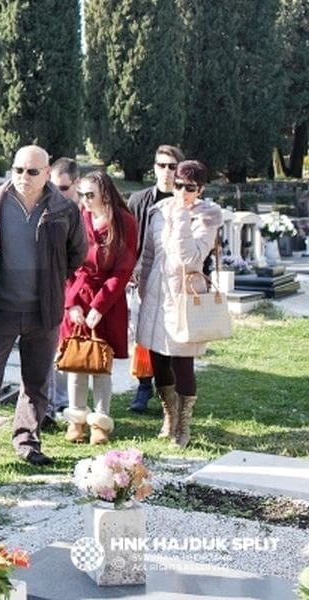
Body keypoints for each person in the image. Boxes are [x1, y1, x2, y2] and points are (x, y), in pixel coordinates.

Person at [0, 145, 86, 472]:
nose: (24, 177)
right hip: (0, 310)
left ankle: (28, 443)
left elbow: (77, 253)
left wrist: (52, 279)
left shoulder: (64, 209)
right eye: (18, 170)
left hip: (42, 311)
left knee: (36, 382)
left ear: (47, 173)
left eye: (33, 171)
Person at [135, 160, 222, 448]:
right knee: (158, 360)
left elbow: (189, 259)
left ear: (201, 189)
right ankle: (169, 417)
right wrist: (144, 287)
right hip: (157, 295)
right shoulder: (157, 211)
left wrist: (183, 216)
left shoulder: (208, 216)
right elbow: (149, 255)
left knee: (182, 362)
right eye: (179, 186)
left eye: (190, 187)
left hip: (185, 296)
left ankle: (183, 426)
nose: (183, 192)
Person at [59, 171, 138, 445]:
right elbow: (66, 263)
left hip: (109, 300)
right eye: (81, 194)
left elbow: (123, 269)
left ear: (105, 193)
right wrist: (72, 304)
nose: (84, 200)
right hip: (78, 294)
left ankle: (101, 421)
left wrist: (100, 305)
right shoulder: (77, 219)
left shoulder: (125, 223)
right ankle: (76, 420)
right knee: (77, 359)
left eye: (90, 194)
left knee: (101, 362)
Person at [127, 145, 184, 413]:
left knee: (172, 333)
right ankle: (143, 385)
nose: (166, 172)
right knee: (143, 333)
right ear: (154, 167)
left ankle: (172, 387)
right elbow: (128, 239)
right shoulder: (139, 200)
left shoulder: (186, 198)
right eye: (161, 165)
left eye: (172, 166)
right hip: (144, 275)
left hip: (176, 277)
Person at [43, 156, 80, 423]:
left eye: (64, 188)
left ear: (76, 184)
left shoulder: (82, 211)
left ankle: (64, 403)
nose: (58, 193)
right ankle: (45, 404)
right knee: (47, 349)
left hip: (76, 291)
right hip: (51, 289)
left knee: (69, 350)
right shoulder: (49, 209)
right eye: (53, 187)